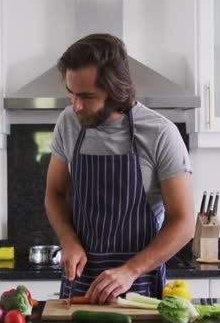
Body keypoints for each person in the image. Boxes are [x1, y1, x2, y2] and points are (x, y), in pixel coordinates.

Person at [45, 33, 194, 304]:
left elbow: (183, 222)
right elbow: (54, 192)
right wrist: (68, 240)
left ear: (116, 90)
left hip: (138, 289)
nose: (76, 106)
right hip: (79, 284)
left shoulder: (160, 134)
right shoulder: (68, 123)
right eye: (71, 94)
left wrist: (130, 270)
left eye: (87, 96)